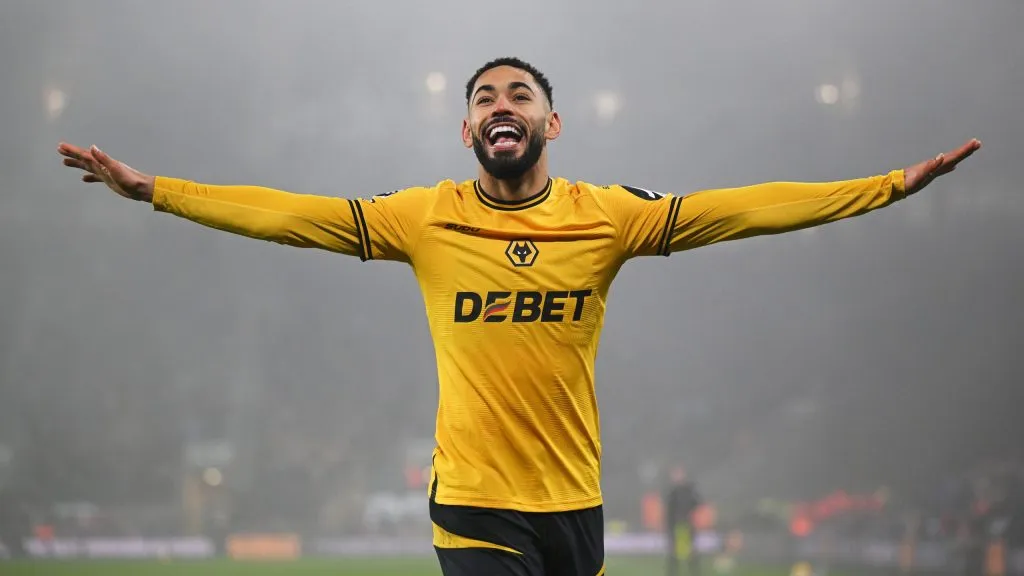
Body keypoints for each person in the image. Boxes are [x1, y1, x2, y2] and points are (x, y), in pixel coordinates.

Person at [57, 56, 980, 576]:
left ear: (551, 124)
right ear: (468, 132)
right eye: (484, 100)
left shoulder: (607, 216)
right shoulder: (423, 217)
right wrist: (158, 191)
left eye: (519, 96)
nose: (501, 106)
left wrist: (885, 188)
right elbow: (290, 215)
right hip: (475, 504)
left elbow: (741, 209)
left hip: (576, 504)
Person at [665, 466, 702, 576]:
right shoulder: (672, 492)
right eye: (675, 474)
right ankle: (673, 572)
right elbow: (669, 511)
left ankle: (694, 571)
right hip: (675, 524)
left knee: (691, 550)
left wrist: (688, 513)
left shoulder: (689, 490)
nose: (676, 477)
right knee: (674, 551)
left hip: (687, 524)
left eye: (678, 474)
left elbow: (697, 502)